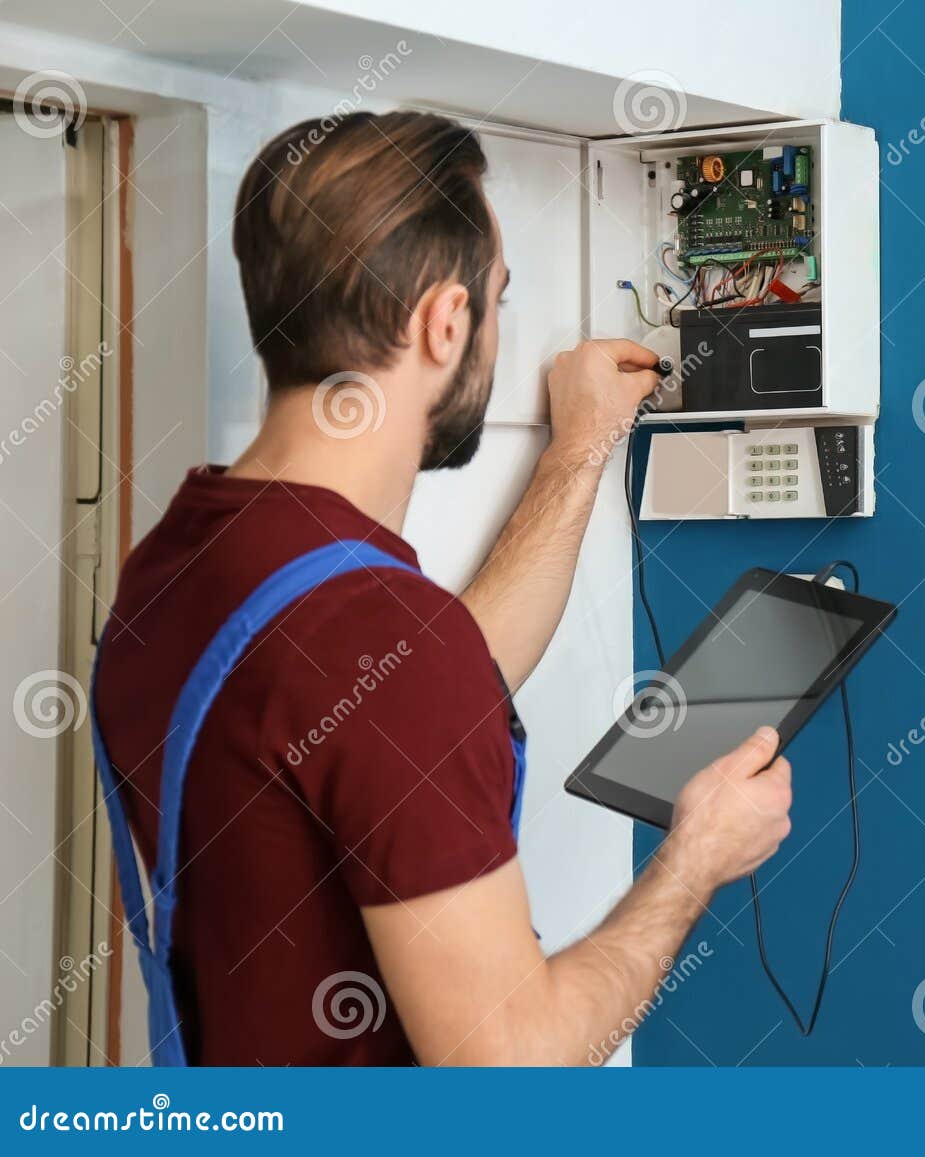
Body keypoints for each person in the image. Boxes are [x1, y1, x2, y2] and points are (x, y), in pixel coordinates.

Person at [92, 110, 793, 1066]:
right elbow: (514, 1065)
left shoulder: (179, 560)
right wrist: (695, 858)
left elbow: (405, 693)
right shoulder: (383, 642)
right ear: (445, 320)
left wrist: (582, 447)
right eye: (497, 299)